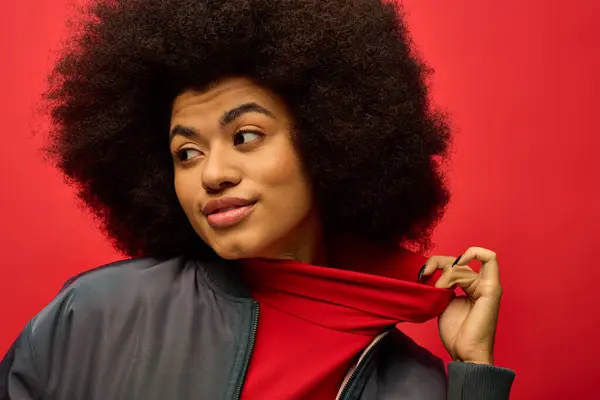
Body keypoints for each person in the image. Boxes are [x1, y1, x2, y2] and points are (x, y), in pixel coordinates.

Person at [0, 0, 515, 399]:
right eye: (187, 153)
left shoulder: (410, 383)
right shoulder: (94, 315)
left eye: (245, 136)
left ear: (324, 140)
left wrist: (474, 371)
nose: (214, 174)